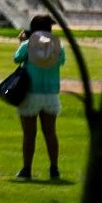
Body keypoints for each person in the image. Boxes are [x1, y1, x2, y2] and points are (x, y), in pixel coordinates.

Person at [12, 14, 64, 179]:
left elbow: (17, 59)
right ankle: (54, 168)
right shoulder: (58, 46)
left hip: (30, 93)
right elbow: (62, 61)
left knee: (29, 134)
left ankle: (27, 169)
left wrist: (22, 42)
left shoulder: (28, 44)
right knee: (50, 132)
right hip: (50, 94)